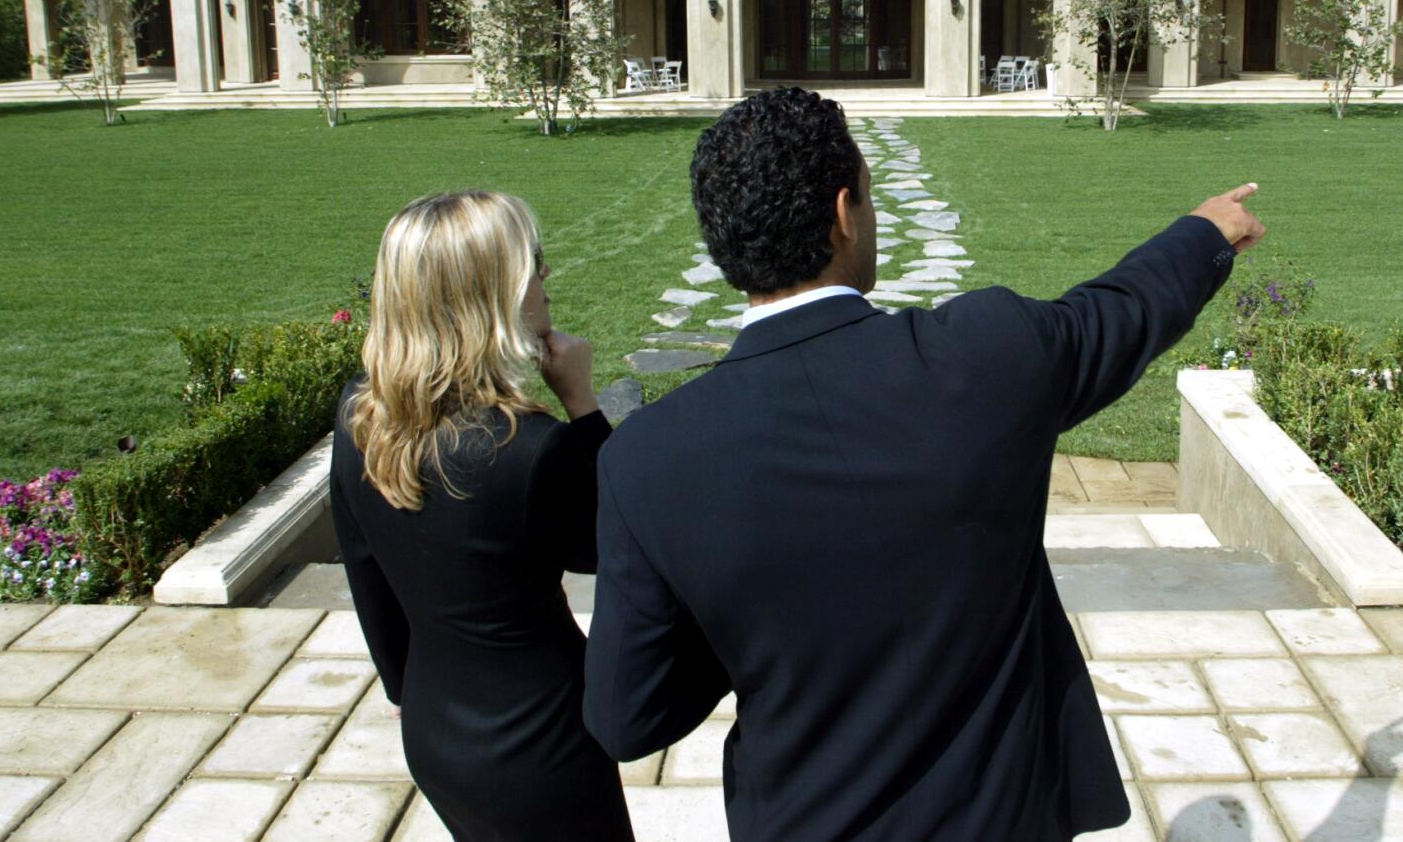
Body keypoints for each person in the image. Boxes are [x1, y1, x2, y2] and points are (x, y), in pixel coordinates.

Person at [584, 87, 1265, 842]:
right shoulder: (988, 357)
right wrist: (1205, 231)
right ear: (845, 212)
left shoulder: (647, 459)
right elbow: (1121, 312)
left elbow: (626, 716)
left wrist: (740, 615)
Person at [332, 190, 634, 842]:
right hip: (539, 744)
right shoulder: (525, 449)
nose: (547, 275)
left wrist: (402, 686)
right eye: (534, 262)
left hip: (434, 725)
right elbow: (612, 542)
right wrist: (581, 400)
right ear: (490, 294)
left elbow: (366, 570)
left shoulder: (361, 413)